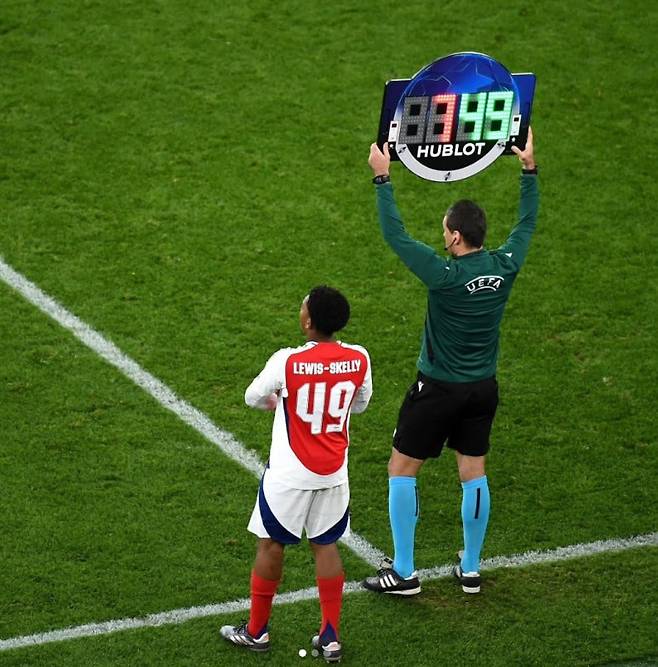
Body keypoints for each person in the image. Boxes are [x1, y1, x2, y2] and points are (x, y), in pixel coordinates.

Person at [362, 130, 539, 596]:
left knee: (402, 469)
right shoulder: (505, 266)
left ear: (456, 236)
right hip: (483, 389)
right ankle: (471, 567)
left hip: (438, 389)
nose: (443, 235)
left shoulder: (444, 276)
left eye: (445, 230)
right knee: (473, 472)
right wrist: (529, 170)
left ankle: (404, 571)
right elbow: (525, 226)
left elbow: (395, 236)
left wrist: (382, 180)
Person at [220, 285, 372, 662]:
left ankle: (256, 631)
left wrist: (279, 402)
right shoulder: (359, 358)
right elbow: (360, 404)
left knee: (271, 544)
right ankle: (331, 636)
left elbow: (252, 397)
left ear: (308, 322)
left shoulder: (286, 361)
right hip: (334, 473)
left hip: (290, 475)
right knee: (326, 544)